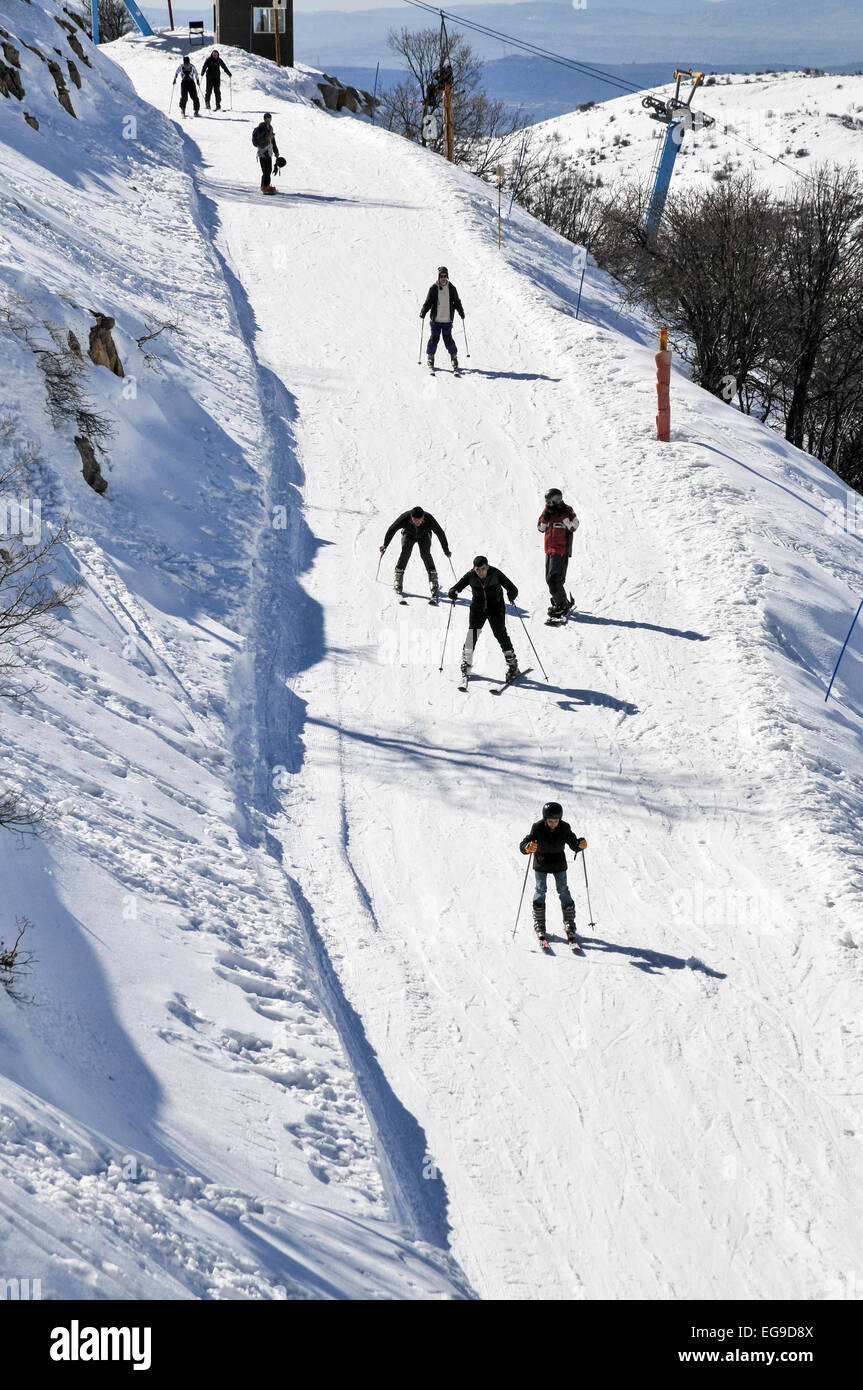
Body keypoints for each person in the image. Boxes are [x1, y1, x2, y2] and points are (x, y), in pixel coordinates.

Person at [519, 802, 587, 944]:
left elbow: (572, 842)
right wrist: (528, 847)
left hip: (558, 863)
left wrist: (579, 845)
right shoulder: (537, 827)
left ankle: (569, 923)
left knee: (563, 890)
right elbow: (524, 844)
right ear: (545, 819)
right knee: (540, 890)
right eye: (550, 821)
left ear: (560, 819)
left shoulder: (564, 827)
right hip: (541, 862)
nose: (553, 824)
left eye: (556, 821)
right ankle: (540, 923)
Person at [448, 556, 520, 680]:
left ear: (487, 567)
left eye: (483, 569)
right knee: (472, 634)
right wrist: (453, 592)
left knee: (500, 634)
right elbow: (457, 586)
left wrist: (512, 593)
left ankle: (512, 664)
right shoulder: (470, 576)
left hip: (496, 607)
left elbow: (512, 587)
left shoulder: (495, 573)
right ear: (474, 569)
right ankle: (466, 662)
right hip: (478, 608)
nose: (480, 572)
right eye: (478, 569)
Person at [380, 506, 452, 598]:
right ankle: (398, 575)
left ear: (423, 517)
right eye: (415, 520)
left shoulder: (429, 518)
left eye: (420, 520)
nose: (417, 522)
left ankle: (433, 577)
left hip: (424, 535)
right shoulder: (404, 517)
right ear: (411, 517)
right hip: (408, 534)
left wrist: (446, 550)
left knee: (425, 554)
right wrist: (385, 545)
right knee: (405, 552)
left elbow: (440, 533)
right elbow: (392, 529)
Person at [538, 487, 579, 618]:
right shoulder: (547, 510)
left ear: (557, 500)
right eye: (547, 502)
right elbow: (540, 528)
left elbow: (574, 526)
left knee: (554, 579)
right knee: (549, 579)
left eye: (550, 502)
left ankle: (562, 604)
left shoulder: (567, 510)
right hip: (549, 549)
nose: (548, 504)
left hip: (561, 550)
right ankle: (561, 601)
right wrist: (546, 516)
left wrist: (563, 516)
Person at [420, 266, 465, 371]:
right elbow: (428, 302)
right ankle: (430, 358)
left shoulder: (452, 289)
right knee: (434, 339)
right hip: (436, 320)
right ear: (439, 277)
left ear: (447, 276)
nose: (443, 278)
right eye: (441, 276)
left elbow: (457, 302)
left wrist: (461, 312)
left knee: (448, 340)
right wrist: (423, 311)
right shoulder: (433, 288)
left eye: (445, 276)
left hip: (447, 320)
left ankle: (454, 357)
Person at [252, 113, 280, 195]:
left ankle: (266, 186)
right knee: (265, 171)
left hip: (269, 152)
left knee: (269, 169)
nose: (269, 120)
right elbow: (259, 142)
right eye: (267, 119)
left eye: (270, 119)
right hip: (262, 152)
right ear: (264, 119)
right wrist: (267, 138)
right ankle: (264, 186)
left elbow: (273, 141)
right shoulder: (261, 129)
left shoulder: (270, 128)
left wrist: (276, 151)